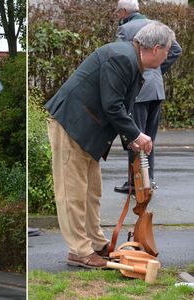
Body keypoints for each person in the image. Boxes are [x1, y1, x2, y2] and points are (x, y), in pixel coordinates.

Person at [44, 22, 175, 269]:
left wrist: (133, 140)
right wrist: (136, 135)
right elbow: (113, 106)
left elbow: (118, 108)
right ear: (156, 48)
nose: (169, 55)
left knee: (91, 192)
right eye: (168, 50)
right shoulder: (122, 58)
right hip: (72, 124)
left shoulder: (131, 61)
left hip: (86, 131)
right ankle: (79, 251)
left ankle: (95, 243)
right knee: (72, 193)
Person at [112, 0, 181, 193]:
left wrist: (145, 69)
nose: (118, 15)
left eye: (118, 12)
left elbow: (119, 57)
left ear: (124, 11)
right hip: (156, 89)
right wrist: (156, 69)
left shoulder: (126, 28)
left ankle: (136, 182)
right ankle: (148, 179)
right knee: (149, 137)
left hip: (139, 91)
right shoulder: (156, 26)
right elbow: (176, 49)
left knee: (136, 136)